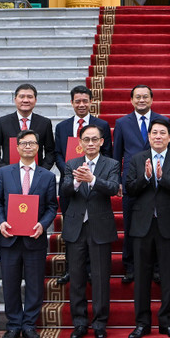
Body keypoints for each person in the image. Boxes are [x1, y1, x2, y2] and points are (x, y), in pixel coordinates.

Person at [125, 119, 170, 338]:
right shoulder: (137, 159)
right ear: (149, 136)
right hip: (143, 225)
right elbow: (129, 189)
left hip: (169, 226)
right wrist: (146, 177)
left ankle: (167, 322)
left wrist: (163, 179)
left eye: (163, 133)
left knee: (169, 276)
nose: (158, 136)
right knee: (142, 277)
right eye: (154, 133)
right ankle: (142, 323)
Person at [0, 130, 58, 338]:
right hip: (9, 237)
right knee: (10, 283)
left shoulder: (47, 176)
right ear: (17, 147)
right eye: (24, 143)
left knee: (34, 283)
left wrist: (43, 224)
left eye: (32, 143)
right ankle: (13, 325)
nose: (28, 147)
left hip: (34, 237)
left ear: (38, 148)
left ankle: (29, 324)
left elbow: (51, 206)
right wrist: (1, 221)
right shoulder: (4, 173)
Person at [60, 125, 120, 338]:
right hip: (76, 227)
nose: (91, 143)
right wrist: (77, 181)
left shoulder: (111, 164)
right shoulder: (72, 164)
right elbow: (64, 191)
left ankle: (100, 322)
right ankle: (79, 323)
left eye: (95, 139)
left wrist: (92, 180)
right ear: (80, 143)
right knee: (76, 277)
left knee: (101, 276)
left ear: (102, 142)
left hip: (100, 227)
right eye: (87, 139)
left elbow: (114, 188)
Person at [54, 85, 113, 285]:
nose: (81, 104)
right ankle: (73, 269)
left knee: (92, 226)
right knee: (73, 226)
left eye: (85, 101)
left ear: (90, 102)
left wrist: (91, 175)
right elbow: (58, 154)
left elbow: (108, 153)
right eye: (77, 101)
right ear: (72, 103)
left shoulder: (101, 125)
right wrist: (70, 171)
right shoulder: (62, 127)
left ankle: (90, 269)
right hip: (72, 181)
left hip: (95, 183)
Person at [112, 84, 169, 283]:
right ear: (131, 100)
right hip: (132, 182)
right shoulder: (122, 123)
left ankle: (155, 267)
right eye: (138, 97)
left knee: (155, 226)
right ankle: (130, 266)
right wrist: (117, 180)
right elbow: (116, 153)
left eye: (145, 97)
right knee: (130, 226)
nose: (142, 100)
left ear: (152, 99)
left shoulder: (163, 121)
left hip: (159, 183)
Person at [0, 83, 55, 171]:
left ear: (35, 100)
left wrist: (42, 171)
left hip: (37, 175)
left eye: (30, 97)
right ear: (15, 99)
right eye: (22, 96)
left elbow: (51, 151)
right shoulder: (2, 122)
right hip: (9, 174)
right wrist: (4, 170)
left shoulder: (44, 123)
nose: (25, 100)